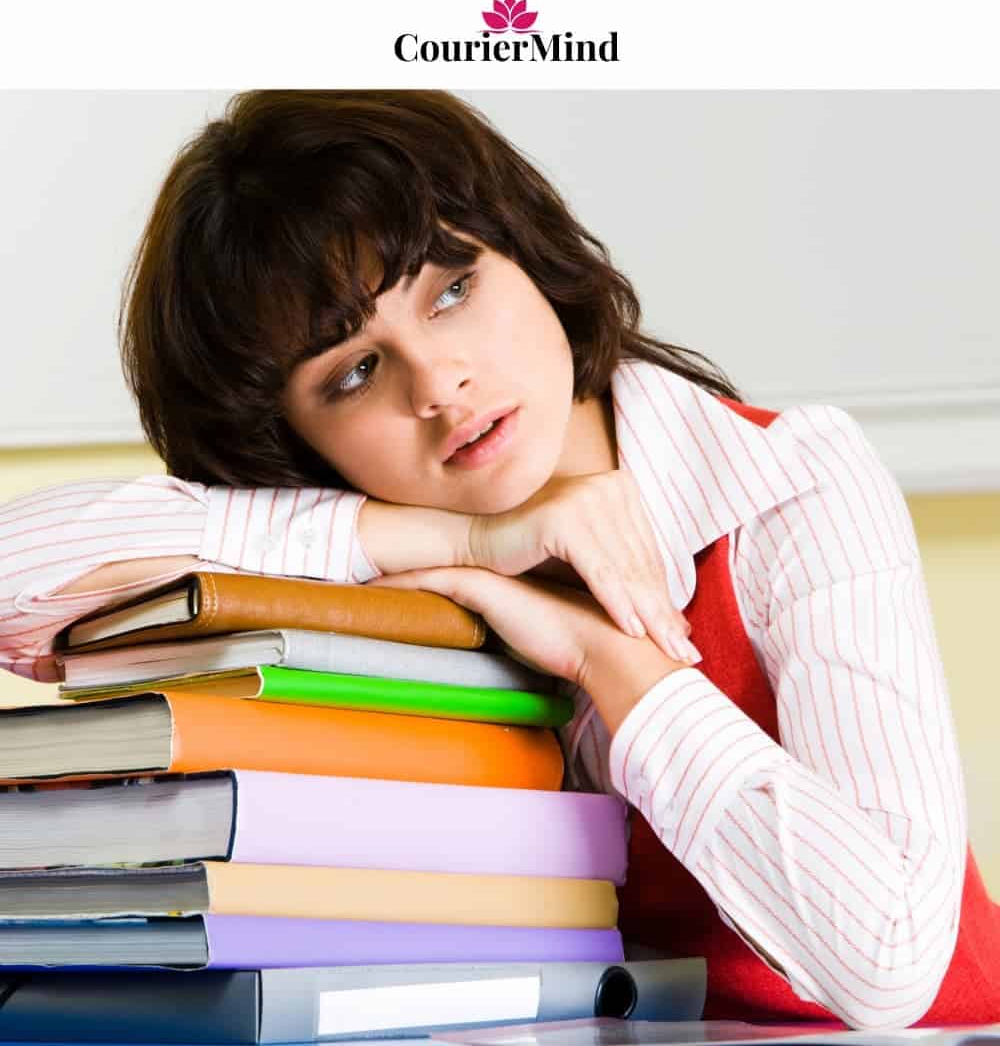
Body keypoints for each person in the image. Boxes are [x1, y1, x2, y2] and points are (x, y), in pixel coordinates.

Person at [0, 89, 997, 1027]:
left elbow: (889, 958)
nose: (438, 381)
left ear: (530, 255)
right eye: (353, 370)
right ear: (297, 445)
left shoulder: (782, 478)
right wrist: (455, 540)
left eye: (453, 288)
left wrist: (609, 656)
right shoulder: (387, 553)